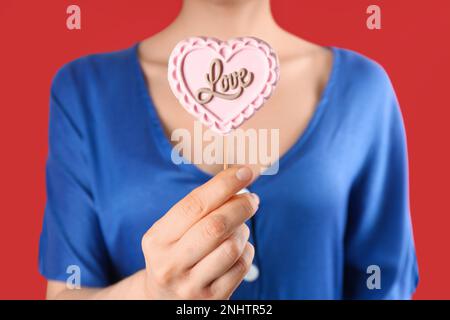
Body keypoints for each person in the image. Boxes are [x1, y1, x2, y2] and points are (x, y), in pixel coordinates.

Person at [39, 0, 418, 299]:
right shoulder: (84, 92)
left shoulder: (363, 89)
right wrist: (150, 293)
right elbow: (67, 293)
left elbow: (384, 286)